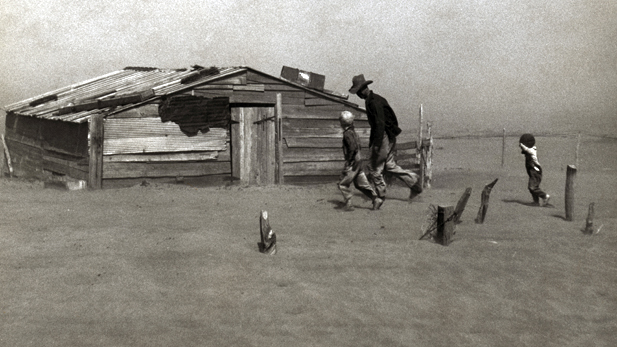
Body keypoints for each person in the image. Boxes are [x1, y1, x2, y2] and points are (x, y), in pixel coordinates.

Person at [349, 74, 422, 209]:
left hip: (383, 136)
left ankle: (380, 197)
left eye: (358, 91)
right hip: (386, 135)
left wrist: (376, 145)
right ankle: (414, 183)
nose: (358, 95)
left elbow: (380, 124)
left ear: (363, 89)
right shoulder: (373, 99)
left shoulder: (373, 102)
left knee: (374, 168)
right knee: (389, 166)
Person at [337, 111, 381, 211]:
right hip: (359, 160)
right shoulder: (354, 132)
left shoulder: (347, 134)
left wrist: (349, 161)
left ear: (342, 123)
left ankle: (348, 204)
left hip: (353, 162)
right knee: (361, 183)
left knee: (342, 183)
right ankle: (376, 199)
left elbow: (352, 148)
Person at [519, 133, 550, 206]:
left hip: (535, 171)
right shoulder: (529, 149)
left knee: (532, 187)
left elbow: (526, 149)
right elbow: (524, 150)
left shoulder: (532, 150)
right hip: (532, 171)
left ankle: (545, 196)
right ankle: (536, 202)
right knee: (534, 187)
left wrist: (521, 144)